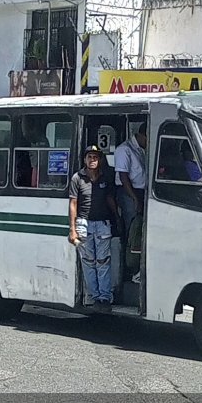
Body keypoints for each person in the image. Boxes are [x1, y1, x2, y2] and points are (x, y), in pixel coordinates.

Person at [69, 146, 118, 312]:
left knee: (103, 262)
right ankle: (95, 297)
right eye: (89, 157)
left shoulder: (105, 178)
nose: (92, 160)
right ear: (85, 159)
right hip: (83, 224)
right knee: (89, 262)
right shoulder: (77, 178)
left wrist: (117, 218)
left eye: (95, 157)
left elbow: (110, 198)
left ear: (100, 160)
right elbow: (73, 204)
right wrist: (72, 229)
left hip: (103, 223)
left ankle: (104, 298)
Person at [114, 122, 147, 279]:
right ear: (141, 135)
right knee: (132, 229)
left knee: (140, 230)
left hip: (141, 192)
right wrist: (135, 199)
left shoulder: (140, 150)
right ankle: (129, 268)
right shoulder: (124, 149)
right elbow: (123, 176)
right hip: (128, 192)